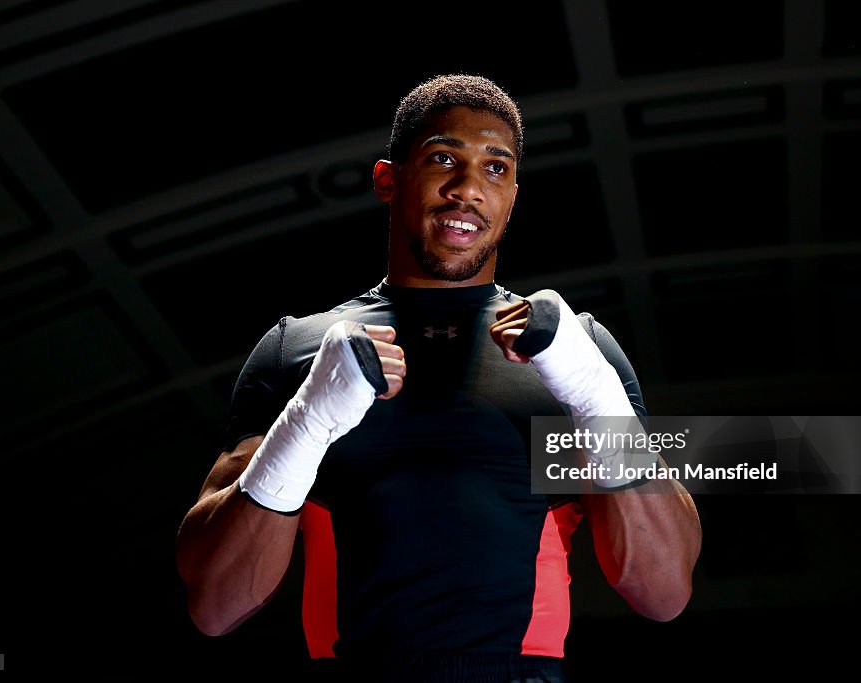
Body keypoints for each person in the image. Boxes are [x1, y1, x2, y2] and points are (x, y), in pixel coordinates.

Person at [176, 74, 702, 682]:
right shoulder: (298, 350)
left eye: (496, 169)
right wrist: (308, 423)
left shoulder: (575, 353)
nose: (468, 189)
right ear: (388, 179)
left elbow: (663, 594)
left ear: (513, 196)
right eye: (443, 159)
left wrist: (595, 395)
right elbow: (217, 607)